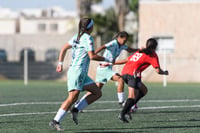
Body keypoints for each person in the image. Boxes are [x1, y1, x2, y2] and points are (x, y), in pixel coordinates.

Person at [49, 18, 112, 131]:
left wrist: (60, 63)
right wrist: (107, 59)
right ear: (90, 27)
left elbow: (64, 48)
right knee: (72, 98)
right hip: (77, 72)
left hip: (81, 74)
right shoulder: (88, 38)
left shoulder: (76, 37)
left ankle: (76, 109)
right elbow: (92, 56)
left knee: (97, 92)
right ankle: (55, 121)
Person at [74, 31, 138, 110]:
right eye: (124, 40)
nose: (124, 42)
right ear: (119, 38)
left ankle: (78, 103)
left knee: (95, 90)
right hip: (104, 68)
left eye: (126, 40)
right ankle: (121, 102)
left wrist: (139, 50)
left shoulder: (122, 46)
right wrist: (93, 54)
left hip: (104, 69)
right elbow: (103, 47)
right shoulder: (113, 43)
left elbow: (130, 49)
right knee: (120, 79)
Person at [114, 38, 169, 123]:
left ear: (147, 45)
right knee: (132, 97)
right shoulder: (152, 54)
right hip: (133, 74)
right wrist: (164, 72)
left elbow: (127, 60)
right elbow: (158, 71)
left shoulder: (140, 51)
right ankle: (123, 113)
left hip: (124, 72)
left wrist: (113, 62)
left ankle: (128, 108)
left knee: (144, 90)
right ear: (155, 47)